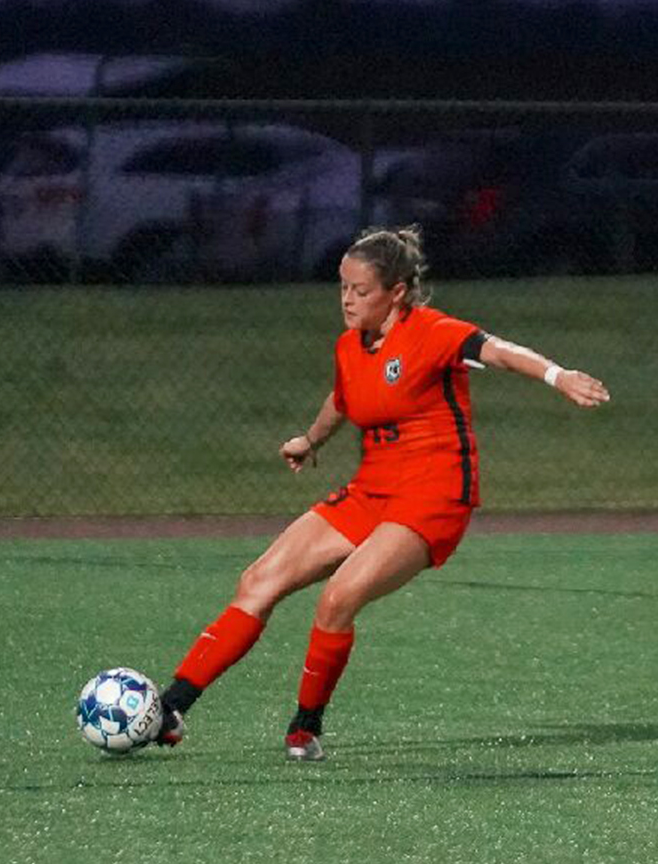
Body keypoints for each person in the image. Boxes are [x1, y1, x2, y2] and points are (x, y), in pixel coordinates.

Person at [152, 226, 610, 761]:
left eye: (360, 290)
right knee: (259, 580)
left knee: (337, 598)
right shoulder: (352, 345)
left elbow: (499, 352)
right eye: (342, 287)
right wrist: (311, 439)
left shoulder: (433, 332)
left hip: (434, 497)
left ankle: (305, 728)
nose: (347, 299)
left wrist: (558, 376)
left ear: (396, 292)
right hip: (373, 490)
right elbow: (344, 398)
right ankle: (170, 708)